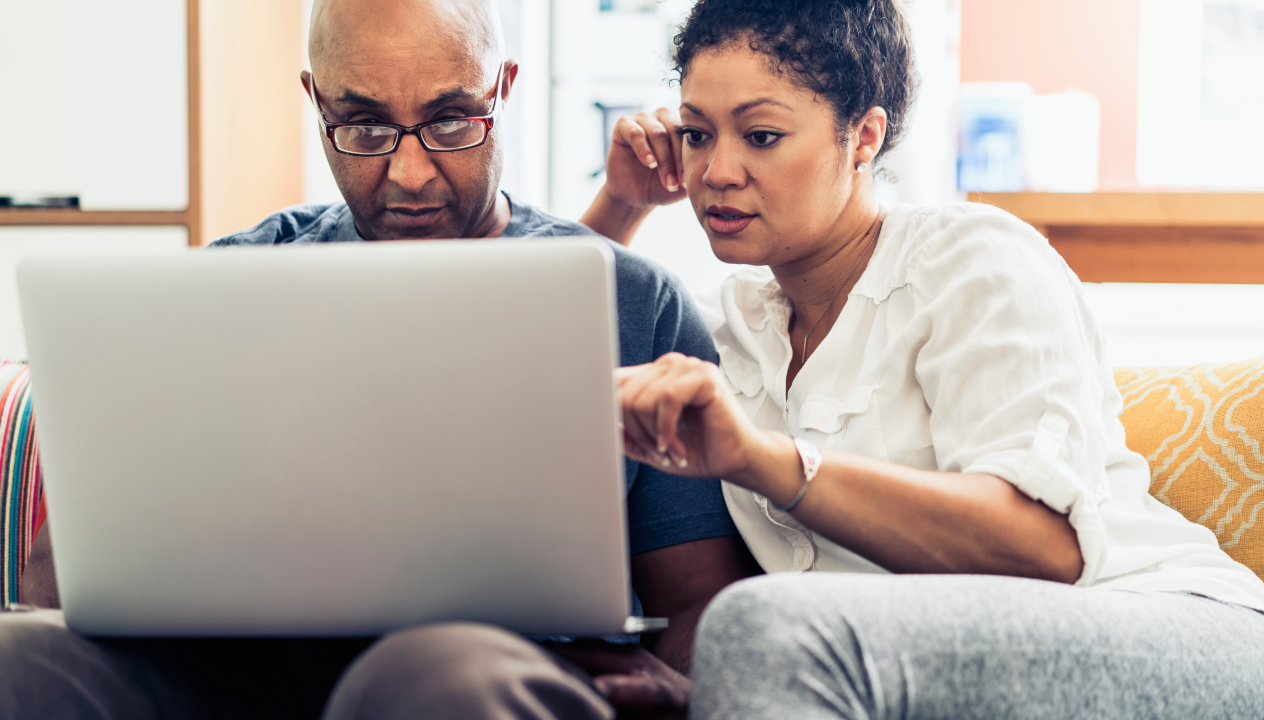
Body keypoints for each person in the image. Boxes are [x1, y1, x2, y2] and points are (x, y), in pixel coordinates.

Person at [0, 0, 758, 717]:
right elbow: (53, 581)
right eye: (362, 127)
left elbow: (695, 597)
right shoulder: (230, 281)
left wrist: (682, 689)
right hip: (228, 673)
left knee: (430, 680)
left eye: (451, 120)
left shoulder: (635, 302)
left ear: (505, 90)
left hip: (488, 676)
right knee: (17, 660)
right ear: (317, 103)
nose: (410, 175)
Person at [582, 0, 1264, 717]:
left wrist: (761, 456)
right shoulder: (736, 323)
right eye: (696, 134)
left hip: (1164, 624)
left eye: (762, 135)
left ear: (864, 136)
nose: (716, 171)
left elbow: (1045, 547)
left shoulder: (972, 257)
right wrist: (621, 204)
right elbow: (573, 341)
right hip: (912, 660)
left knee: (764, 622)